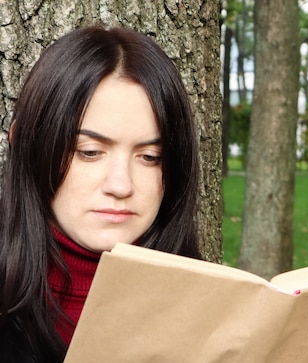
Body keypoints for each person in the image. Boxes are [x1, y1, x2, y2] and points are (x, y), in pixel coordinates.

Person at [0, 26, 202, 362]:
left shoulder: (210, 307)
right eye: (90, 152)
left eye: (150, 158)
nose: (121, 186)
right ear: (26, 142)